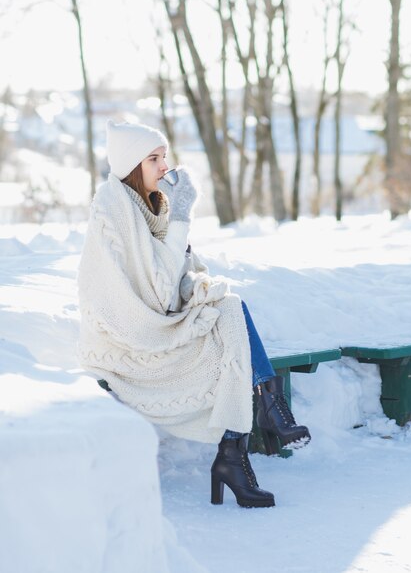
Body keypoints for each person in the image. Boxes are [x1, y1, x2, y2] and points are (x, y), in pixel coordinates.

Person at [77, 120, 311, 509]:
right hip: (130, 338)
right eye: (153, 159)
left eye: (164, 156)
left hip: (157, 320)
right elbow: (156, 291)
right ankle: (258, 421)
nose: (164, 166)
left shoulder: (152, 208)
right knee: (227, 331)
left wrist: (195, 281)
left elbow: (177, 276)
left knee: (230, 308)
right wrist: (181, 216)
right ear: (131, 167)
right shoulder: (114, 207)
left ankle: (245, 438)